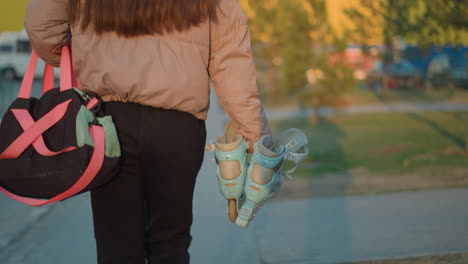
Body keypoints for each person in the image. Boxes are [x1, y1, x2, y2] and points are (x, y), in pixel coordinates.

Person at [24, 0, 270, 263]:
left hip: (108, 123)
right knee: (170, 243)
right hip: (179, 127)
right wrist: (253, 134)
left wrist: (83, 53)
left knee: (116, 246)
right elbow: (230, 56)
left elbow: (42, 25)